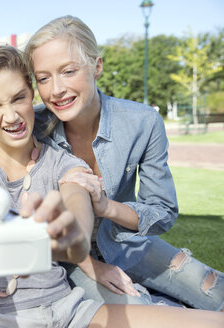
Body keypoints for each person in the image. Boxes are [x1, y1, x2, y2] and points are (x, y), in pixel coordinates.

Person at [0, 44, 224, 327]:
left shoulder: (63, 161)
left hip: (69, 309)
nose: (11, 116)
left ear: (31, 94)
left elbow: (78, 209)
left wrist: (75, 237)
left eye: (18, 98)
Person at [24, 15, 224, 310]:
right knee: (145, 309)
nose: (56, 89)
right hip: (66, 259)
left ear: (97, 66)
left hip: (124, 241)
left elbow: (162, 212)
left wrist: (107, 207)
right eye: (43, 78)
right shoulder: (31, 126)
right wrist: (94, 266)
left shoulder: (143, 122)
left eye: (68, 71)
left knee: (212, 290)